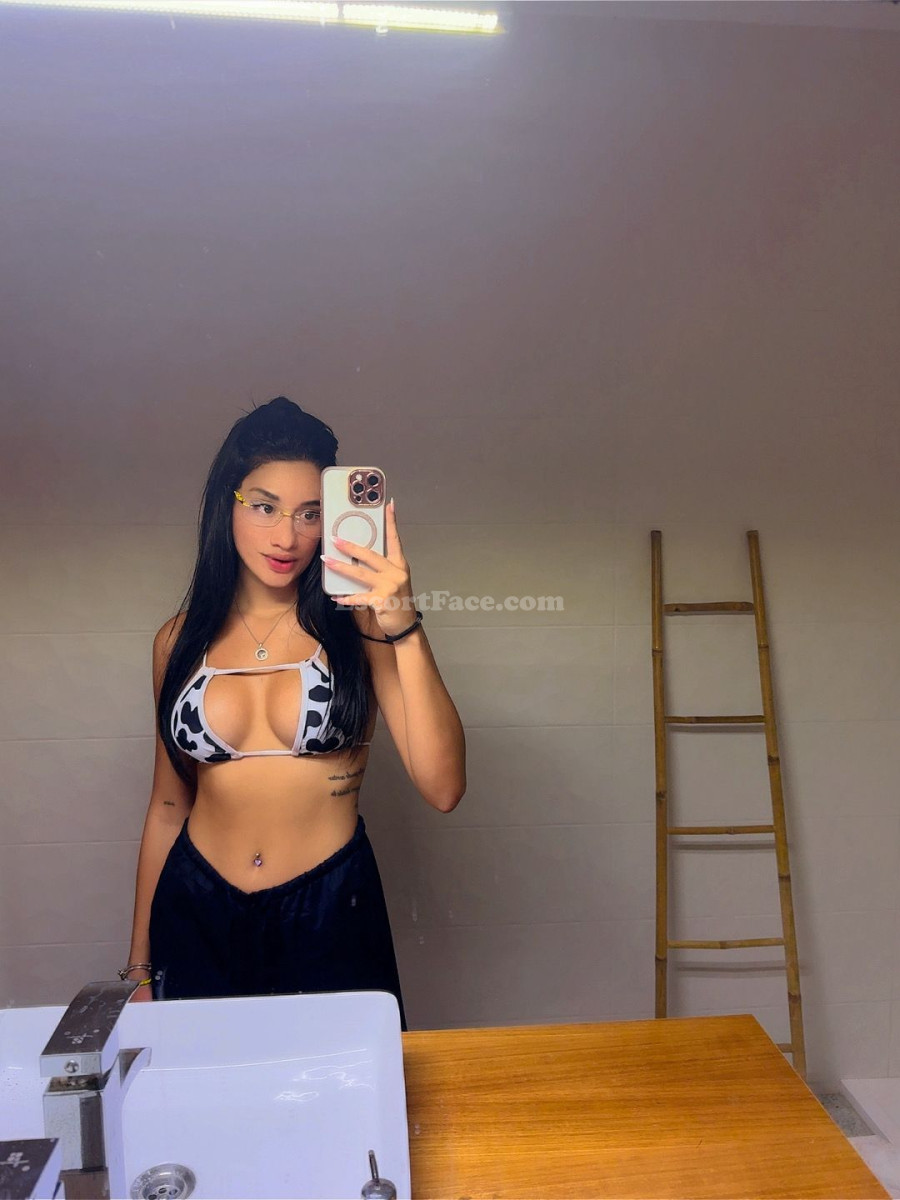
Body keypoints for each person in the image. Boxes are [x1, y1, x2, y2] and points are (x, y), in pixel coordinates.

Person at [121, 397, 466, 1031]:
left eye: (310, 513)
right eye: (265, 507)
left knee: (345, 1088)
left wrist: (404, 622)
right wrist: (139, 967)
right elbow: (168, 805)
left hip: (331, 907)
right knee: (203, 1087)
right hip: (195, 908)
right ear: (227, 504)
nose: (287, 537)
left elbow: (443, 787)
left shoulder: (361, 628)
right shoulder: (176, 642)